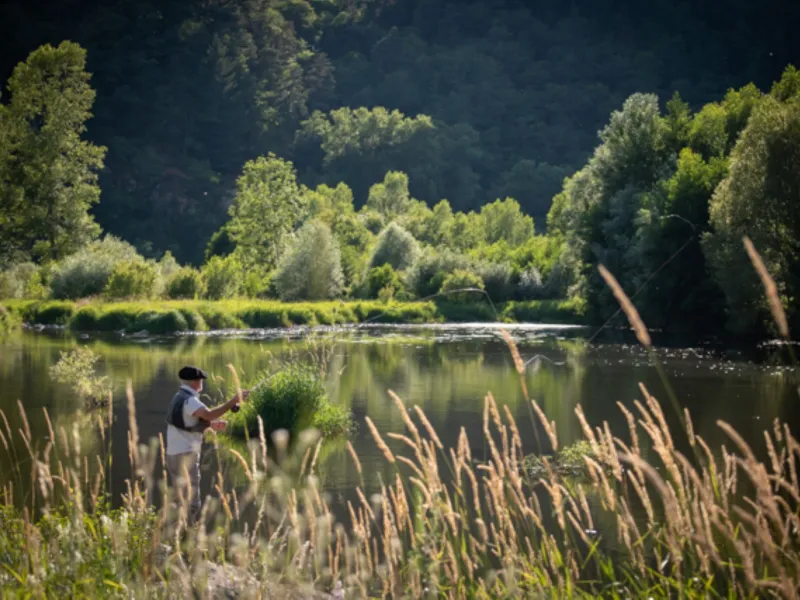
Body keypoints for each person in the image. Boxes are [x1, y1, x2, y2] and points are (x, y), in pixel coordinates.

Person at [164, 365, 249, 525]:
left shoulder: (178, 397)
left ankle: (175, 534)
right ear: (195, 382)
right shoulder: (190, 400)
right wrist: (233, 401)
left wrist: (210, 425)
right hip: (186, 455)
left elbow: (183, 423)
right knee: (191, 501)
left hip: (172, 455)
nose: (202, 382)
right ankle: (188, 536)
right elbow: (208, 414)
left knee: (179, 497)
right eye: (200, 379)